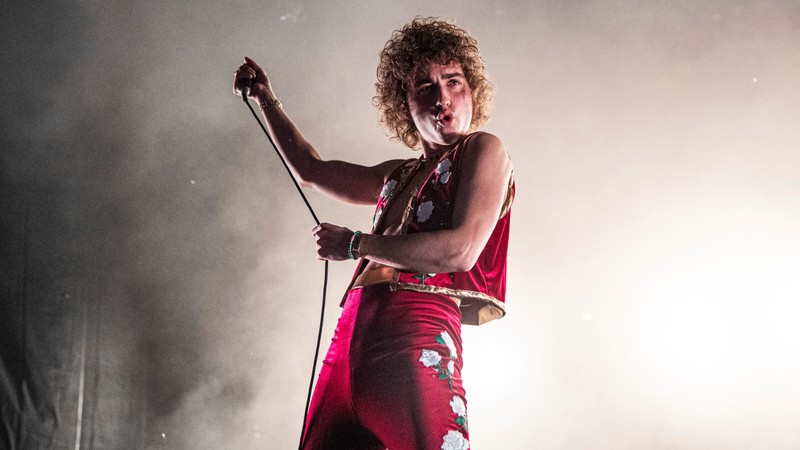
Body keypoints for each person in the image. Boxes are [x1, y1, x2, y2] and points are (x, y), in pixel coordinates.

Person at [234, 17, 514, 450]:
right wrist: (267, 99)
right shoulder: (396, 175)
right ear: (405, 103)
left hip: (416, 333)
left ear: (472, 91)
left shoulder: (482, 149)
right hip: (350, 338)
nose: (443, 96)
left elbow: (460, 251)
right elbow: (312, 170)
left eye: (454, 81)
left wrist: (354, 244)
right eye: (425, 85)